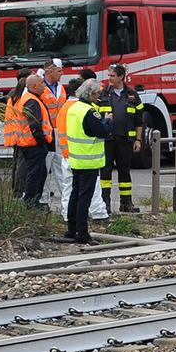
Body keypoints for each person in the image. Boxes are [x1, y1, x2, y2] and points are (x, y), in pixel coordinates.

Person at [63, 79, 110, 244]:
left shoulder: (73, 108)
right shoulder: (90, 111)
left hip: (76, 159)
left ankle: (71, 229)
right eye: (97, 94)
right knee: (85, 197)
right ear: (90, 94)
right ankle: (82, 233)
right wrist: (108, 121)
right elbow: (101, 131)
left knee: (74, 195)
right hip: (89, 160)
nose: (99, 97)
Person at [97, 63, 143, 212]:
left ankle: (126, 203)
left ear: (121, 77)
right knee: (105, 172)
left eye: (112, 75)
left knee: (124, 171)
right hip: (107, 140)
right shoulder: (102, 94)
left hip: (126, 141)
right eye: (109, 75)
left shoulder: (132, 95)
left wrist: (138, 139)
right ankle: (105, 203)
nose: (109, 78)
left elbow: (139, 120)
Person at [16, 73, 53, 209]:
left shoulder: (30, 98)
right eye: (42, 83)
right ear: (34, 86)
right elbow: (35, 124)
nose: (44, 85)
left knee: (39, 172)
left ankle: (32, 202)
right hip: (33, 144)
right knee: (35, 174)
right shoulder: (31, 101)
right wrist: (41, 142)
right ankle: (31, 203)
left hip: (30, 143)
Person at [37, 59, 67, 208]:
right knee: (44, 169)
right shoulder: (39, 87)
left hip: (60, 133)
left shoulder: (61, 88)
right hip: (46, 134)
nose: (62, 74)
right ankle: (43, 201)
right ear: (49, 71)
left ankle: (67, 202)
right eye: (59, 71)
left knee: (62, 168)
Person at [4, 67, 33, 196]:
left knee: (17, 164)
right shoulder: (22, 96)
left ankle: (16, 190)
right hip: (21, 135)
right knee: (22, 165)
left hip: (14, 135)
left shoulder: (13, 94)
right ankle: (19, 191)